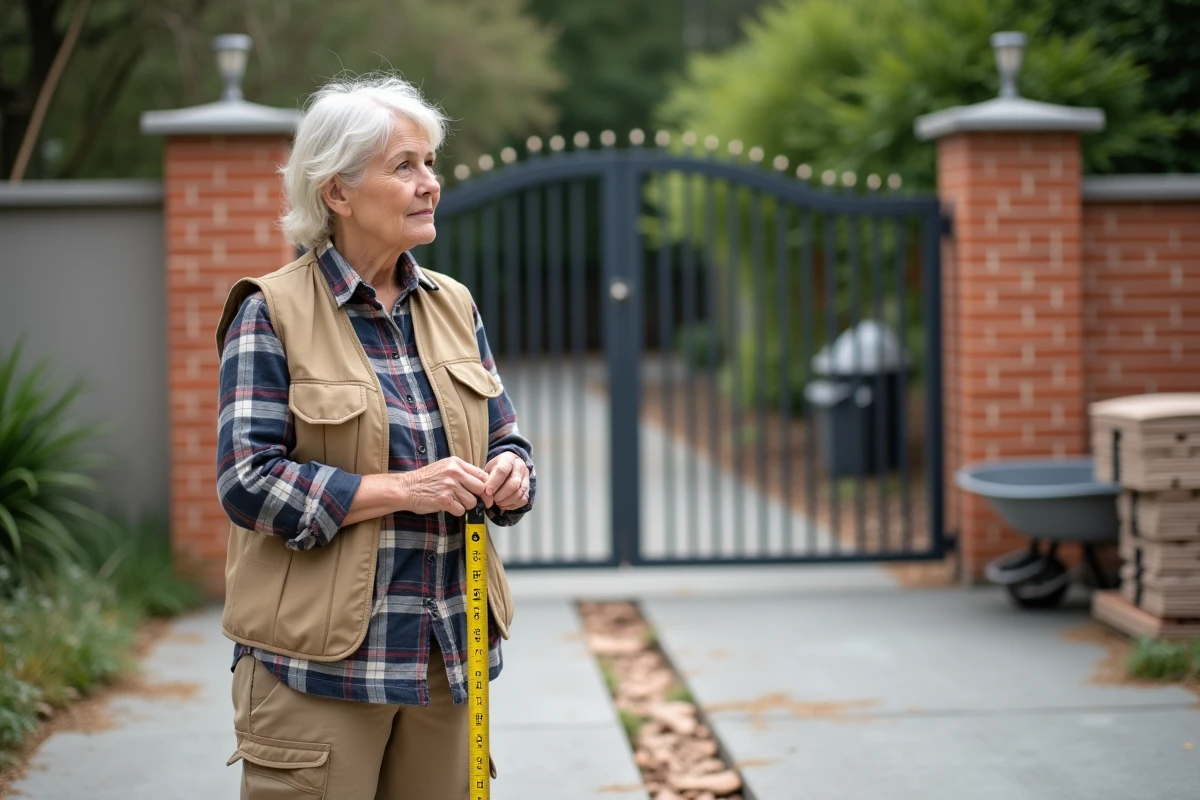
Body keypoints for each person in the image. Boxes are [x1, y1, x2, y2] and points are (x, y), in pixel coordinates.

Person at [214, 74, 535, 799]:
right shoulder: (271, 312)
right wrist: (403, 490)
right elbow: (247, 481)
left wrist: (512, 473)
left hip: (446, 658)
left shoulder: (454, 304)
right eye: (404, 166)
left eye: (430, 163)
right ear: (338, 191)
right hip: (320, 669)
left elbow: (507, 438)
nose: (430, 183)